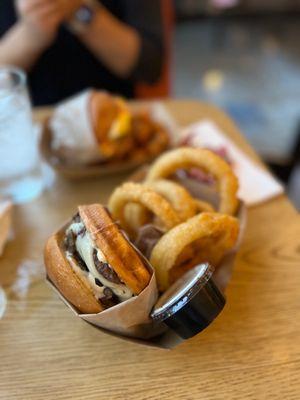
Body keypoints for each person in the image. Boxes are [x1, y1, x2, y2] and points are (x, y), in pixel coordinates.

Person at [0, 0, 164, 105]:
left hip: (113, 124)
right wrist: (31, 33)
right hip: (22, 130)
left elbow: (149, 66)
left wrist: (80, 12)